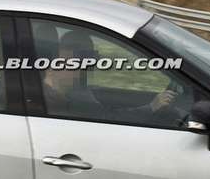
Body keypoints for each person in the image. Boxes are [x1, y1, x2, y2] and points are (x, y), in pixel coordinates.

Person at [40, 30, 178, 123]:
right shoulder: (53, 99)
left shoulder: (74, 89)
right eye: (82, 58)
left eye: (90, 58)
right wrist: (151, 107)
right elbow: (111, 118)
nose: (86, 67)